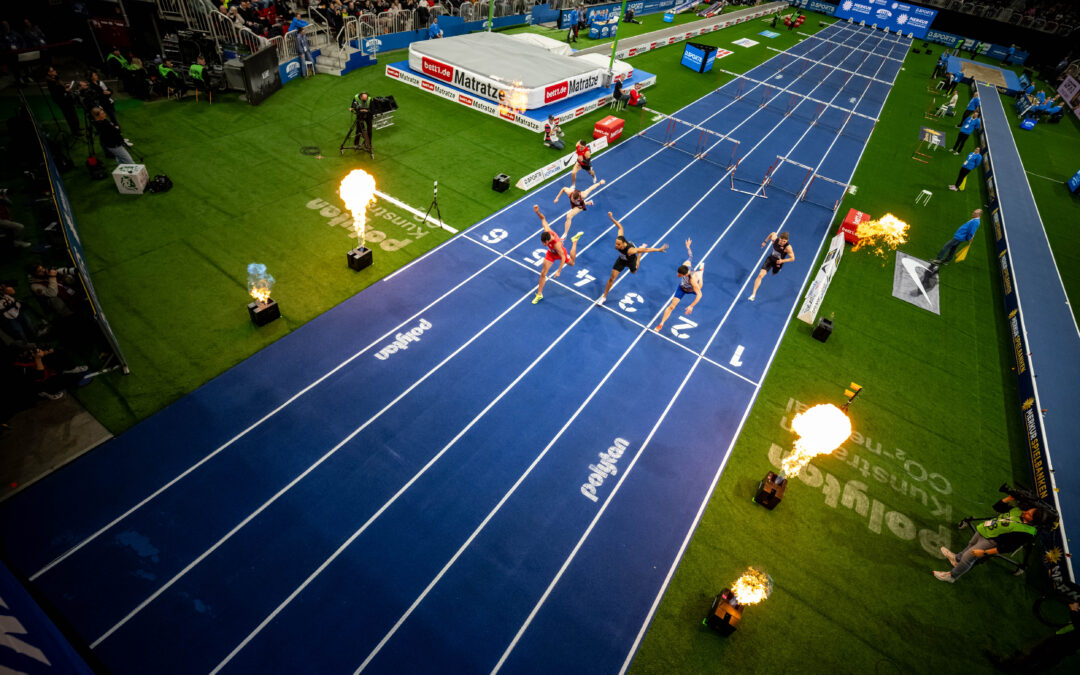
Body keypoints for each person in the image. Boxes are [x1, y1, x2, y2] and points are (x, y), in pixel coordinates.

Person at [933, 491, 1048, 583]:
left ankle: (952, 576)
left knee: (968, 558)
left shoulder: (1027, 532)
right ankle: (957, 559)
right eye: (1029, 511)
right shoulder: (1019, 511)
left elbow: (1007, 548)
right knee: (970, 545)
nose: (1026, 512)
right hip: (985, 529)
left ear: (1034, 521)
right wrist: (1009, 498)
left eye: (1029, 515)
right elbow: (997, 507)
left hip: (991, 541)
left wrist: (984, 553)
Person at [985, 593, 1080, 671]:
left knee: (1041, 654)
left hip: (1067, 642)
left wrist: (1073, 611)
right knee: (1046, 656)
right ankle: (1020, 662)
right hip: (1068, 642)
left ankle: (1007, 665)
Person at [597, 211, 668, 305]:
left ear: (623, 244)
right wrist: (611, 218)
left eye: (618, 245)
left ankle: (639, 255)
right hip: (621, 260)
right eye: (616, 243)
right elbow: (620, 227)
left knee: (634, 271)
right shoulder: (620, 239)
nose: (616, 246)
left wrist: (658, 249)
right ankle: (604, 297)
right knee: (611, 278)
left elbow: (646, 249)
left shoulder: (630, 250)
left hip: (631, 260)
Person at [532, 205, 583, 305]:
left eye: (544, 243)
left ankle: (574, 241)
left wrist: (559, 271)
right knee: (543, 273)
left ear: (548, 240)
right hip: (551, 253)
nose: (543, 245)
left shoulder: (557, 244)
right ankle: (539, 294)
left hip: (560, 253)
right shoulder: (547, 231)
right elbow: (543, 219)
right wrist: (537, 212)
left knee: (572, 263)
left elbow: (563, 257)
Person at [655, 238, 704, 331]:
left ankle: (701, 272)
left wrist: (691, 306)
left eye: (679, 275)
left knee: (700, 284)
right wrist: (688, 247)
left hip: (691, 288)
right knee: (671, 306)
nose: (677, 275)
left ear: (685, 274)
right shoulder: (685, 264)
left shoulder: (692, 280)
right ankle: (661, 324)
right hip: (682, 288)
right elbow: (690, 256)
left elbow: (699, 295)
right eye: (678, 273)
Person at [749, 231, 794, 301]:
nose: (782, 242)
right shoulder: (775, 239)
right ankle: (753, 295)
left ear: (787, 240)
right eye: (781, 240)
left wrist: (782, 261)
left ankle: (776, 270)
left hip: (778, 262)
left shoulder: (788, 248)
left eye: (784, 241)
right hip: (770, 259)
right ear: (779, 238)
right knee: (760, 275)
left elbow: (792, 258)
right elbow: (773, 233)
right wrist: (765, 242)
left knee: (773, 273)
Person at [43, 67, 80, 137]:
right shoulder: (50, 82)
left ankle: (77, 128)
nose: (55, 71)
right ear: (49, 73)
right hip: (62, 101)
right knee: (69, 115)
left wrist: (65, 86)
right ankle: (75, 131)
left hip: (66, 98)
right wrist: (66, 90)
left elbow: (60, 86)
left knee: (73, 113)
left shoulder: (56, 78)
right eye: (52, 70)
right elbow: (57, 92)